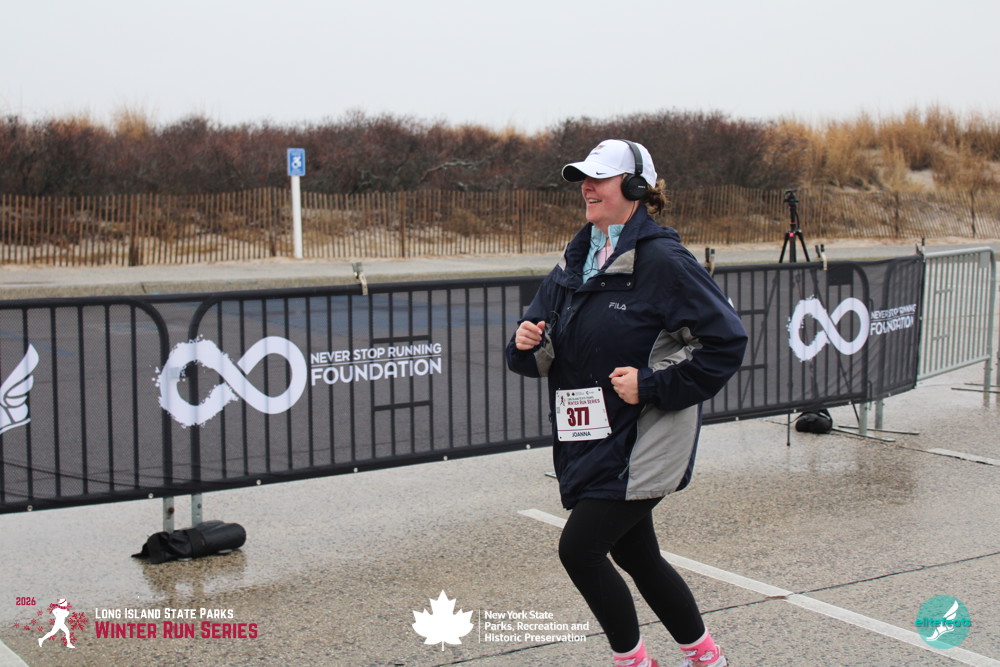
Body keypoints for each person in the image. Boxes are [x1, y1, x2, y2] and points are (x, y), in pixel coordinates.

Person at [505, 139, 747, 667]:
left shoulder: (663, 260)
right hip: (590, 436)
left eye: (600, 178)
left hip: (643, 438)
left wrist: (652, 385)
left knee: (580, 550)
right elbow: (536, 345)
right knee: (637, 554)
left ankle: (633, 662)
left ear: (636, 188)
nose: (587, 188)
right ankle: (707, 657)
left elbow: (725, 342)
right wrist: (525, 344)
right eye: (582, 179)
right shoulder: (575, 259)